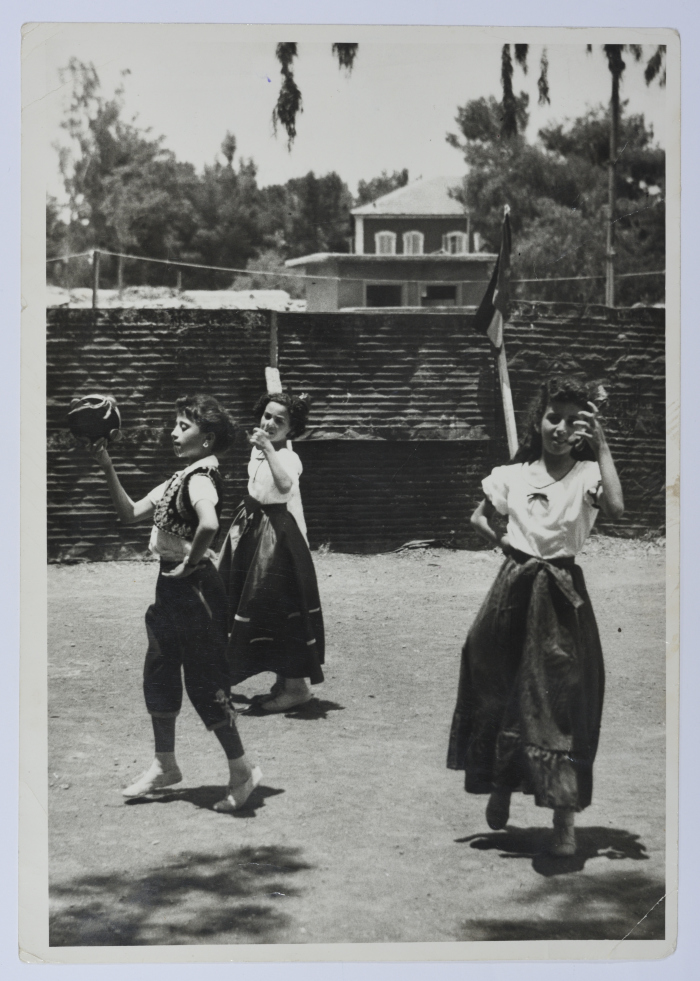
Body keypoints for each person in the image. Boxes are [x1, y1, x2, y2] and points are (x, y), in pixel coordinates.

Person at [446, 376, 625, 856]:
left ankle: (564, 821)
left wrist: (602, 444)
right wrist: (505, 545)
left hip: (561, 598)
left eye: (572, 421)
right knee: (497, 686)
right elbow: (479, 517)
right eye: (553, 417)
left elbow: (617, 505)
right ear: (537, 418)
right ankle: (501, 785)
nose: (560, 429)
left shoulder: (587, 475)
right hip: (512, 591)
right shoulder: (512, 474)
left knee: (558, 703)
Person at [87, 394, 261, 813]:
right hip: (171, 586)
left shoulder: (201, 477)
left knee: (205, 681)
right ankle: (165, 763)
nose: (174, 432)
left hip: (195, 588)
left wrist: (192, 560)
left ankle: (242, 771)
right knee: (160, 670)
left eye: (184, 426)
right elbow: (129, 513)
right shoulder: (180, 478)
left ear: (208, 440)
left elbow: (210, 523)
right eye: (175, 424)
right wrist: (107, 464)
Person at [218, 391, 325, 713]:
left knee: (276, 605)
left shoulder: (287, 457)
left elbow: (283, 487)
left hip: (275, 540)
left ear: (291, 429)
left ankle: (296, 688)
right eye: (267, 416)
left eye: (280, 420)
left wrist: (267, 447)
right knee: (258, 604)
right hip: (253, 531)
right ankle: (285, 681)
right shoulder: (260, 451)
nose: (271, 423)